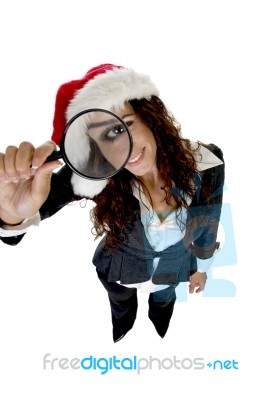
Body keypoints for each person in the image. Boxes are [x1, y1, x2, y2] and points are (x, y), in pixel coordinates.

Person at [0, 63, 224, 342]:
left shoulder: (207, 162)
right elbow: (30, 212)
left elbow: (209, 219)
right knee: (121, 307)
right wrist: (10, 212)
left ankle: (160, 324)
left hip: (174, 269)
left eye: (123, 126)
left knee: (164, 305)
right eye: (105, 136)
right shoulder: (97, 175)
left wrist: (201, 268)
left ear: (149, 117)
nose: (122, 150)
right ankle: (123, 325)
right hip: (120, 272)